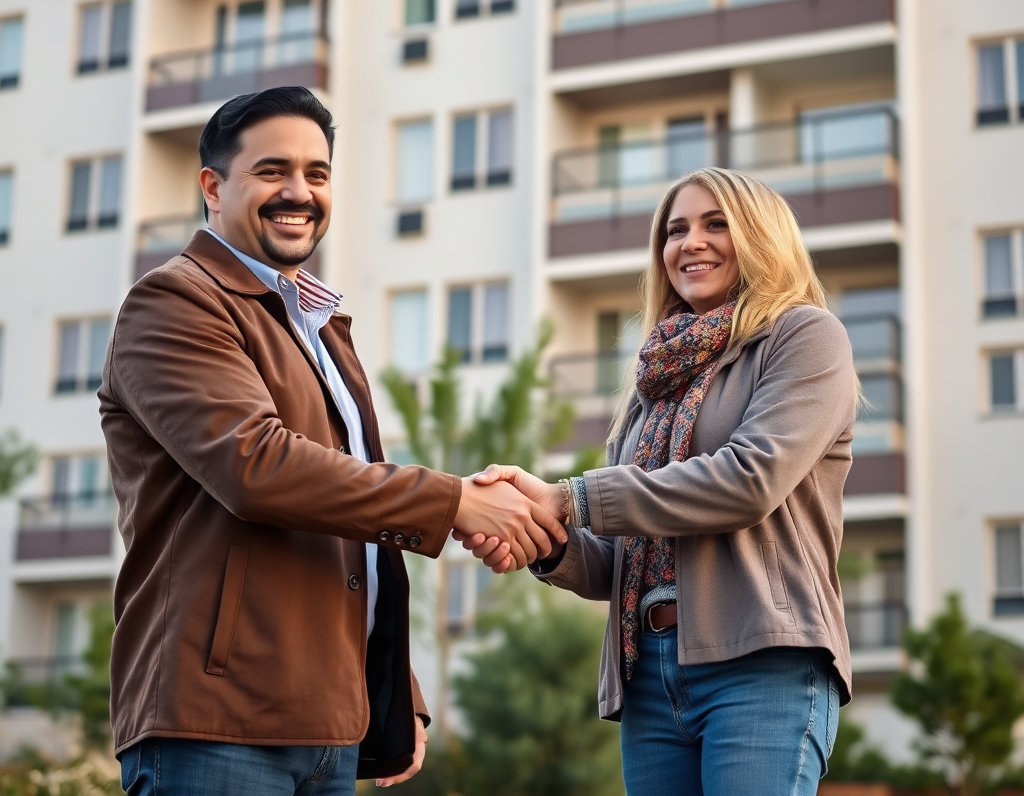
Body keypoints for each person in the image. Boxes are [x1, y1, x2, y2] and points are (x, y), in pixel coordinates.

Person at [99, 86, 566, 796]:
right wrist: (457, 503)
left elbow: (350, 521)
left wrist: (394, 686)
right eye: (272, 171)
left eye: (316, 174)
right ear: (212, 187)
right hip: (217, 721)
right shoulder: (174, 301)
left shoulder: (320, 328)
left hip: (328, 724)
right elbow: (256, 467)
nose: (299, 192)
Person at [457, 168, 855, 796]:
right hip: (648, 677)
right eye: (675, 230)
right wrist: (543, 537)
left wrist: (571, 497)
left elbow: (748, 481)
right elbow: (618, 559)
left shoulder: (804, 336)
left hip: (761, 665)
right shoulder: (652, 383)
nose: (689, 242)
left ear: (760, 236)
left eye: (714, 223)